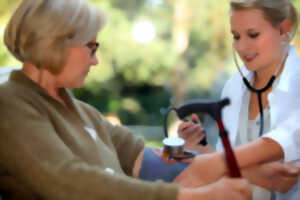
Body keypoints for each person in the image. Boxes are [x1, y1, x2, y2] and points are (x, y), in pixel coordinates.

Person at [0, 0, 253, 199]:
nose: (95, 60)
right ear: (55, 42)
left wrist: (254, 169)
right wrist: (197, 197)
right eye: (91, 47)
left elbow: (152, 164)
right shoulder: (10, 104)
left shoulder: (82, 111)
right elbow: (68, 181)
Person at [177, 0, 300, 199]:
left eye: (253, 34)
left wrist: (210, 163)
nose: (242, 46)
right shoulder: (233, 87)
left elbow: (287, 170)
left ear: (283, 30)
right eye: (236, 36)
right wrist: (200, 148)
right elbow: (227, 166)